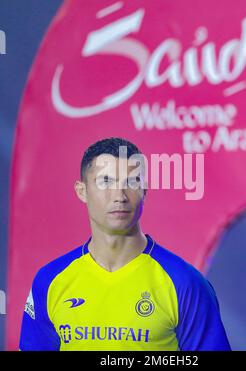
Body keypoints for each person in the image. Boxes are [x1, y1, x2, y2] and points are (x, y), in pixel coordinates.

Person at [19, 137, 231, 351]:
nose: (119, 196)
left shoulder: (185, 283)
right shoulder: (50, 281)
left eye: (131, 182)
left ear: (144, 191)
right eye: (105, 182)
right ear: (82, 191)